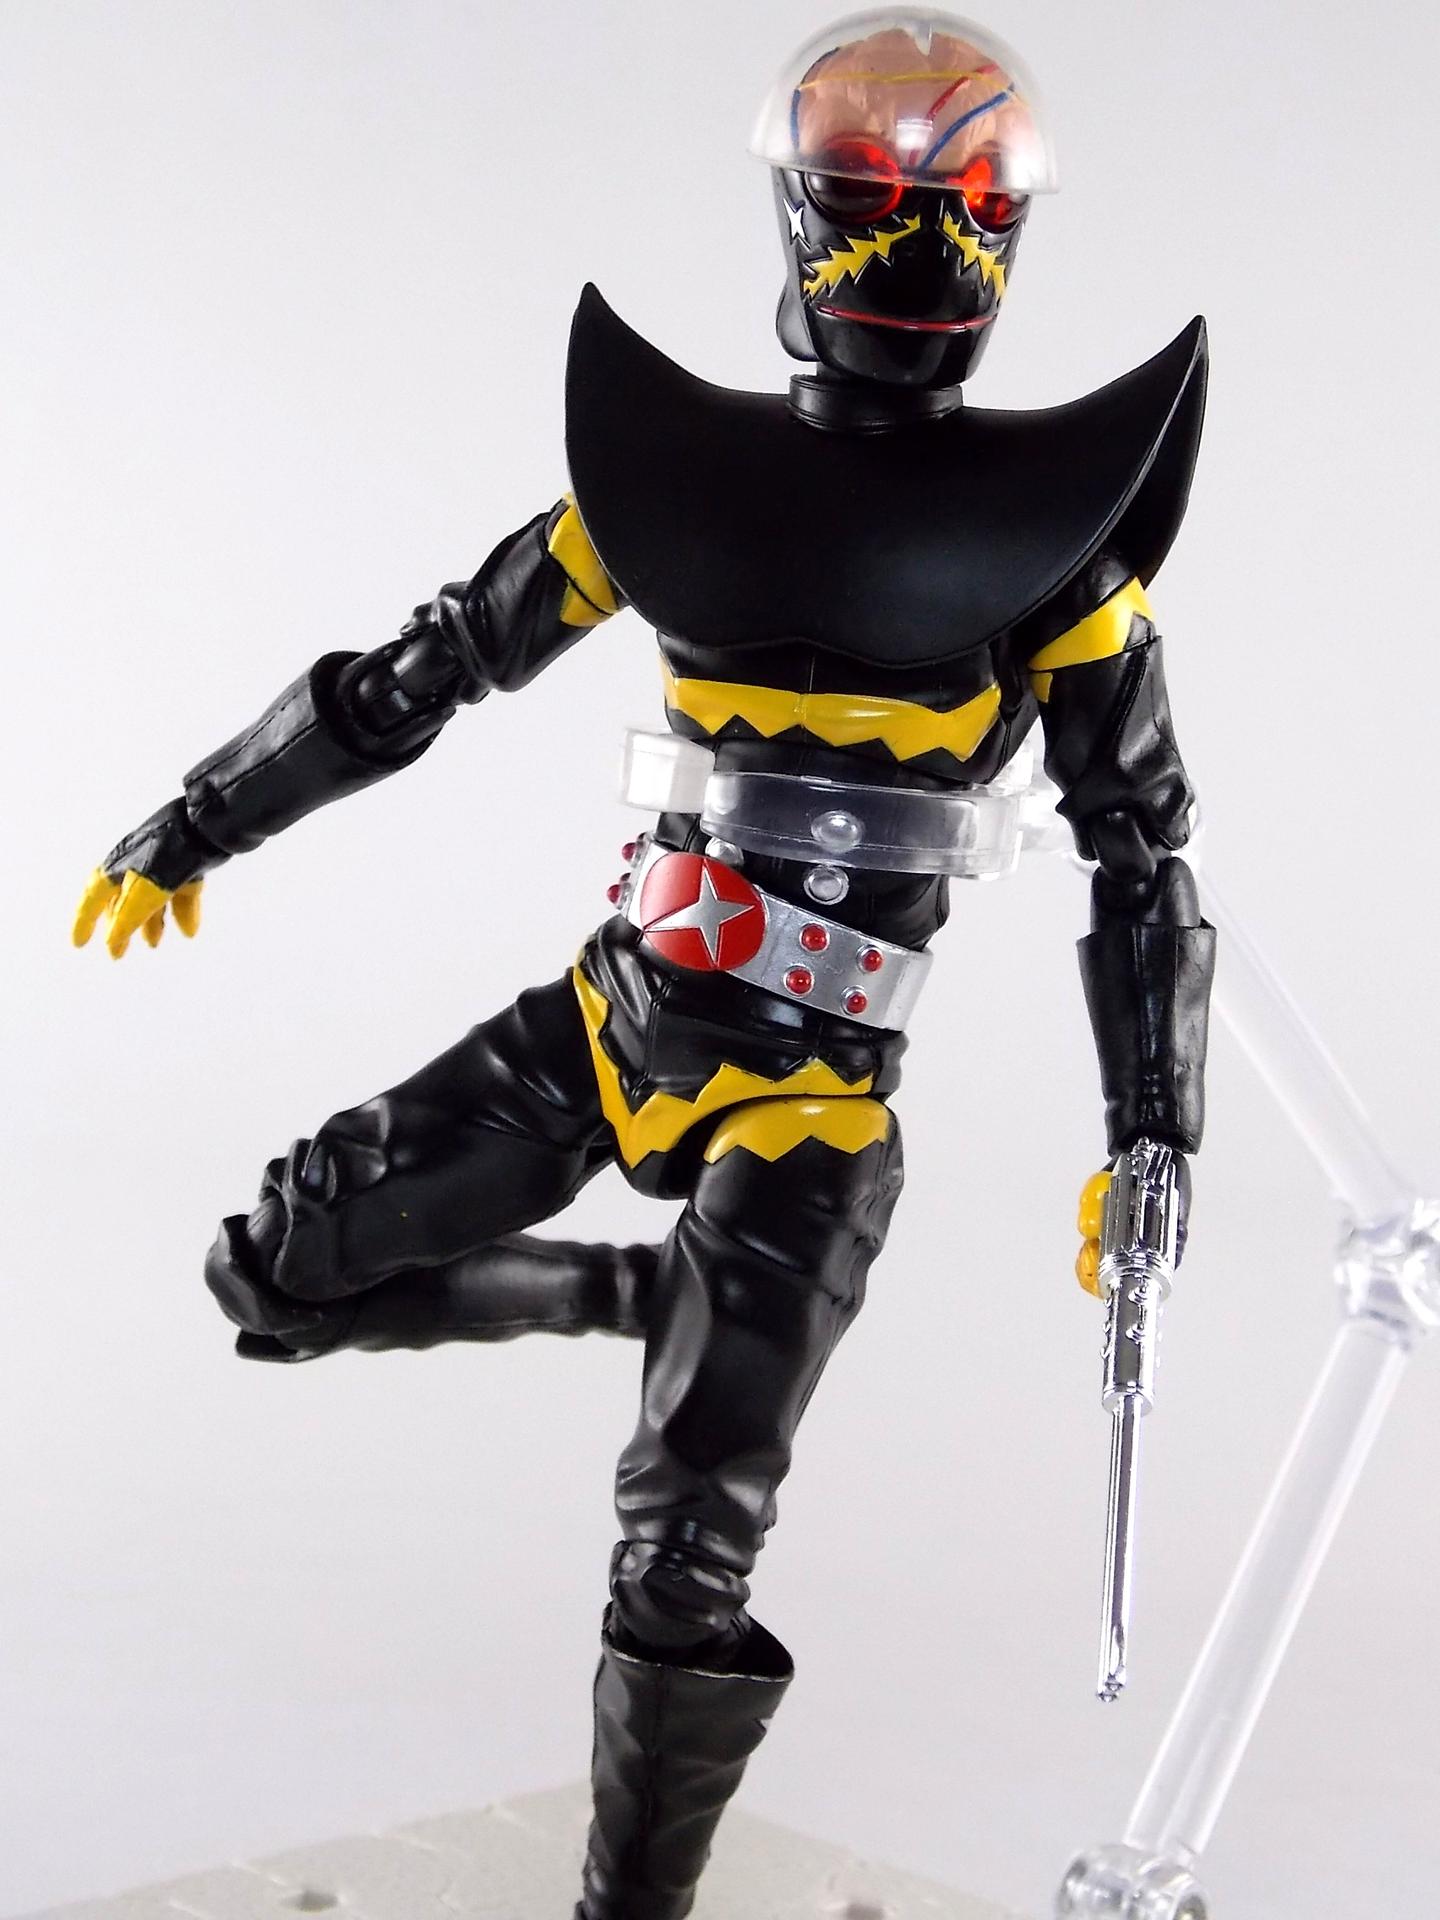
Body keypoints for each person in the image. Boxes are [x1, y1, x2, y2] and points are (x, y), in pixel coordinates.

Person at [74, 13, 1215, 1917]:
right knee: (272, 1273)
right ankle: (633, 1296)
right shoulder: (662, 494)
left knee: (684, 1554)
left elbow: (1143, 850)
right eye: (875, 197)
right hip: (610, 1023)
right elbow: (432, 664)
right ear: (804, 213)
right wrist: (204, 816)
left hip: (812, 1102)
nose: (918, 240)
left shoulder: (1060, 565)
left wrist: (1155, 1130)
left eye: (957, 202)